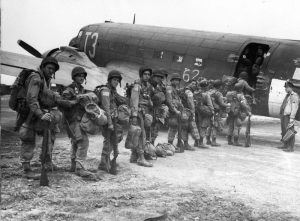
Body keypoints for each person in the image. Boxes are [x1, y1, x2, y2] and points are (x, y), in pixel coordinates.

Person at [18, 57, 62, 179]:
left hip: (39, 112)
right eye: (49, 68)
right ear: (43, 67)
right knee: (28, 138)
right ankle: (26, 169)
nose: (51, 71)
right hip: (30, 113)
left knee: (51, 132)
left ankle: (46, 161)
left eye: (53, 69)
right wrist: (41, 114)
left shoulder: (45, 79)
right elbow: (31, 99)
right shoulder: (36, 78)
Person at [61, 66, 97, 180]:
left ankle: (73, 165)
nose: (81, 78)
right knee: (83, 141)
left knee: (76, 142)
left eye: (83, 76)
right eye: (79, 76)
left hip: (78, 119)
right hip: (72, 120)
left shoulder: (81, 89)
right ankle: (80, 168)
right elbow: (62, 103)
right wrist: (76, 99)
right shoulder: (69, 90)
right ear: (74, 77)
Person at [95, 70, 126, 173]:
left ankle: (106, 161)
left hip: (113, 119)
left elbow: (120, 100)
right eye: (114, 80)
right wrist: (110, 123)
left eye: (118, 80)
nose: (116, 82)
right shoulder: (105, 90)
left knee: (114, 139)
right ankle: (104, 163)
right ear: (109, 80)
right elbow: (106, 107)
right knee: (108, 140)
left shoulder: (112, 91)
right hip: (108, 120)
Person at [128, 66, 154, 167]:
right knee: (141, 135)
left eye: (148, 74)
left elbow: (148, 98)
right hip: (138, 112)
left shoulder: (147, 85)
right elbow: (134, 100)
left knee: (138, 134)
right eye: (145, 74)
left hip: (145, 112)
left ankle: (134, 156)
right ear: (141, 75)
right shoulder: (137, 85)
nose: (147, 76)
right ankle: (141, 158)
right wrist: (134, 115)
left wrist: (150, 102)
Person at [166, 73, 189, 151]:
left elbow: (178, 100)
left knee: (176, 127)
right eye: (175, 80)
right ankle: (169, 144)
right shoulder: (169, 88)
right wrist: (175, 110)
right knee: (173, 127)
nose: (177, 82)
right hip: (172, 111)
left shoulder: (175, 89)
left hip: (177, 110)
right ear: (172, 80)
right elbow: (169, 101)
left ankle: (172, 144)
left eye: (178, 80)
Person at [207, 80, 230, 146]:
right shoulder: (218, 93)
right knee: (215, 126)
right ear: (219, 86)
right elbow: (221, 103)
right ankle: (213, 141)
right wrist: (228, 104)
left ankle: (208, 140)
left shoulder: (209, 91)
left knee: (210, 125)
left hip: (209, 110)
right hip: (216, 111)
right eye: (221, 86)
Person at [278, 80, 299, 152]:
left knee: (290, 132)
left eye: (286, 87)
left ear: (290, 87)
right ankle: (285, 145)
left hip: (289, 116)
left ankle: (291, 147)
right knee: (284, 131)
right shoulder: (288, 95)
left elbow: (295, 107)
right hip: (284, 115)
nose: (285, 89)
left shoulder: (294, 96)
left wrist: (292, 118)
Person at [179, 80, 200, 149]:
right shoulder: (189, 92)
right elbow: (191, 103)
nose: (194, 85)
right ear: (189, 84)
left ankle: (180, 143)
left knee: (181, 128)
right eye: (193, 84)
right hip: (187, 112)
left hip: (181, 111)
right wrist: (193, 113)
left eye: (195, 84)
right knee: (186, 128)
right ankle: (186, 144)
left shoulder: (182, 90)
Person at [150, 69, 169, 145]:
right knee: (149, 128)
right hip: (151, 109)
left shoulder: (161, 86)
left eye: (161, 77)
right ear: (153, 76)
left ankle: (151, 143)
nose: (160, 78)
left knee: (156, 127)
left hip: (158, 110)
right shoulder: (150, 85)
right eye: (158, 77)